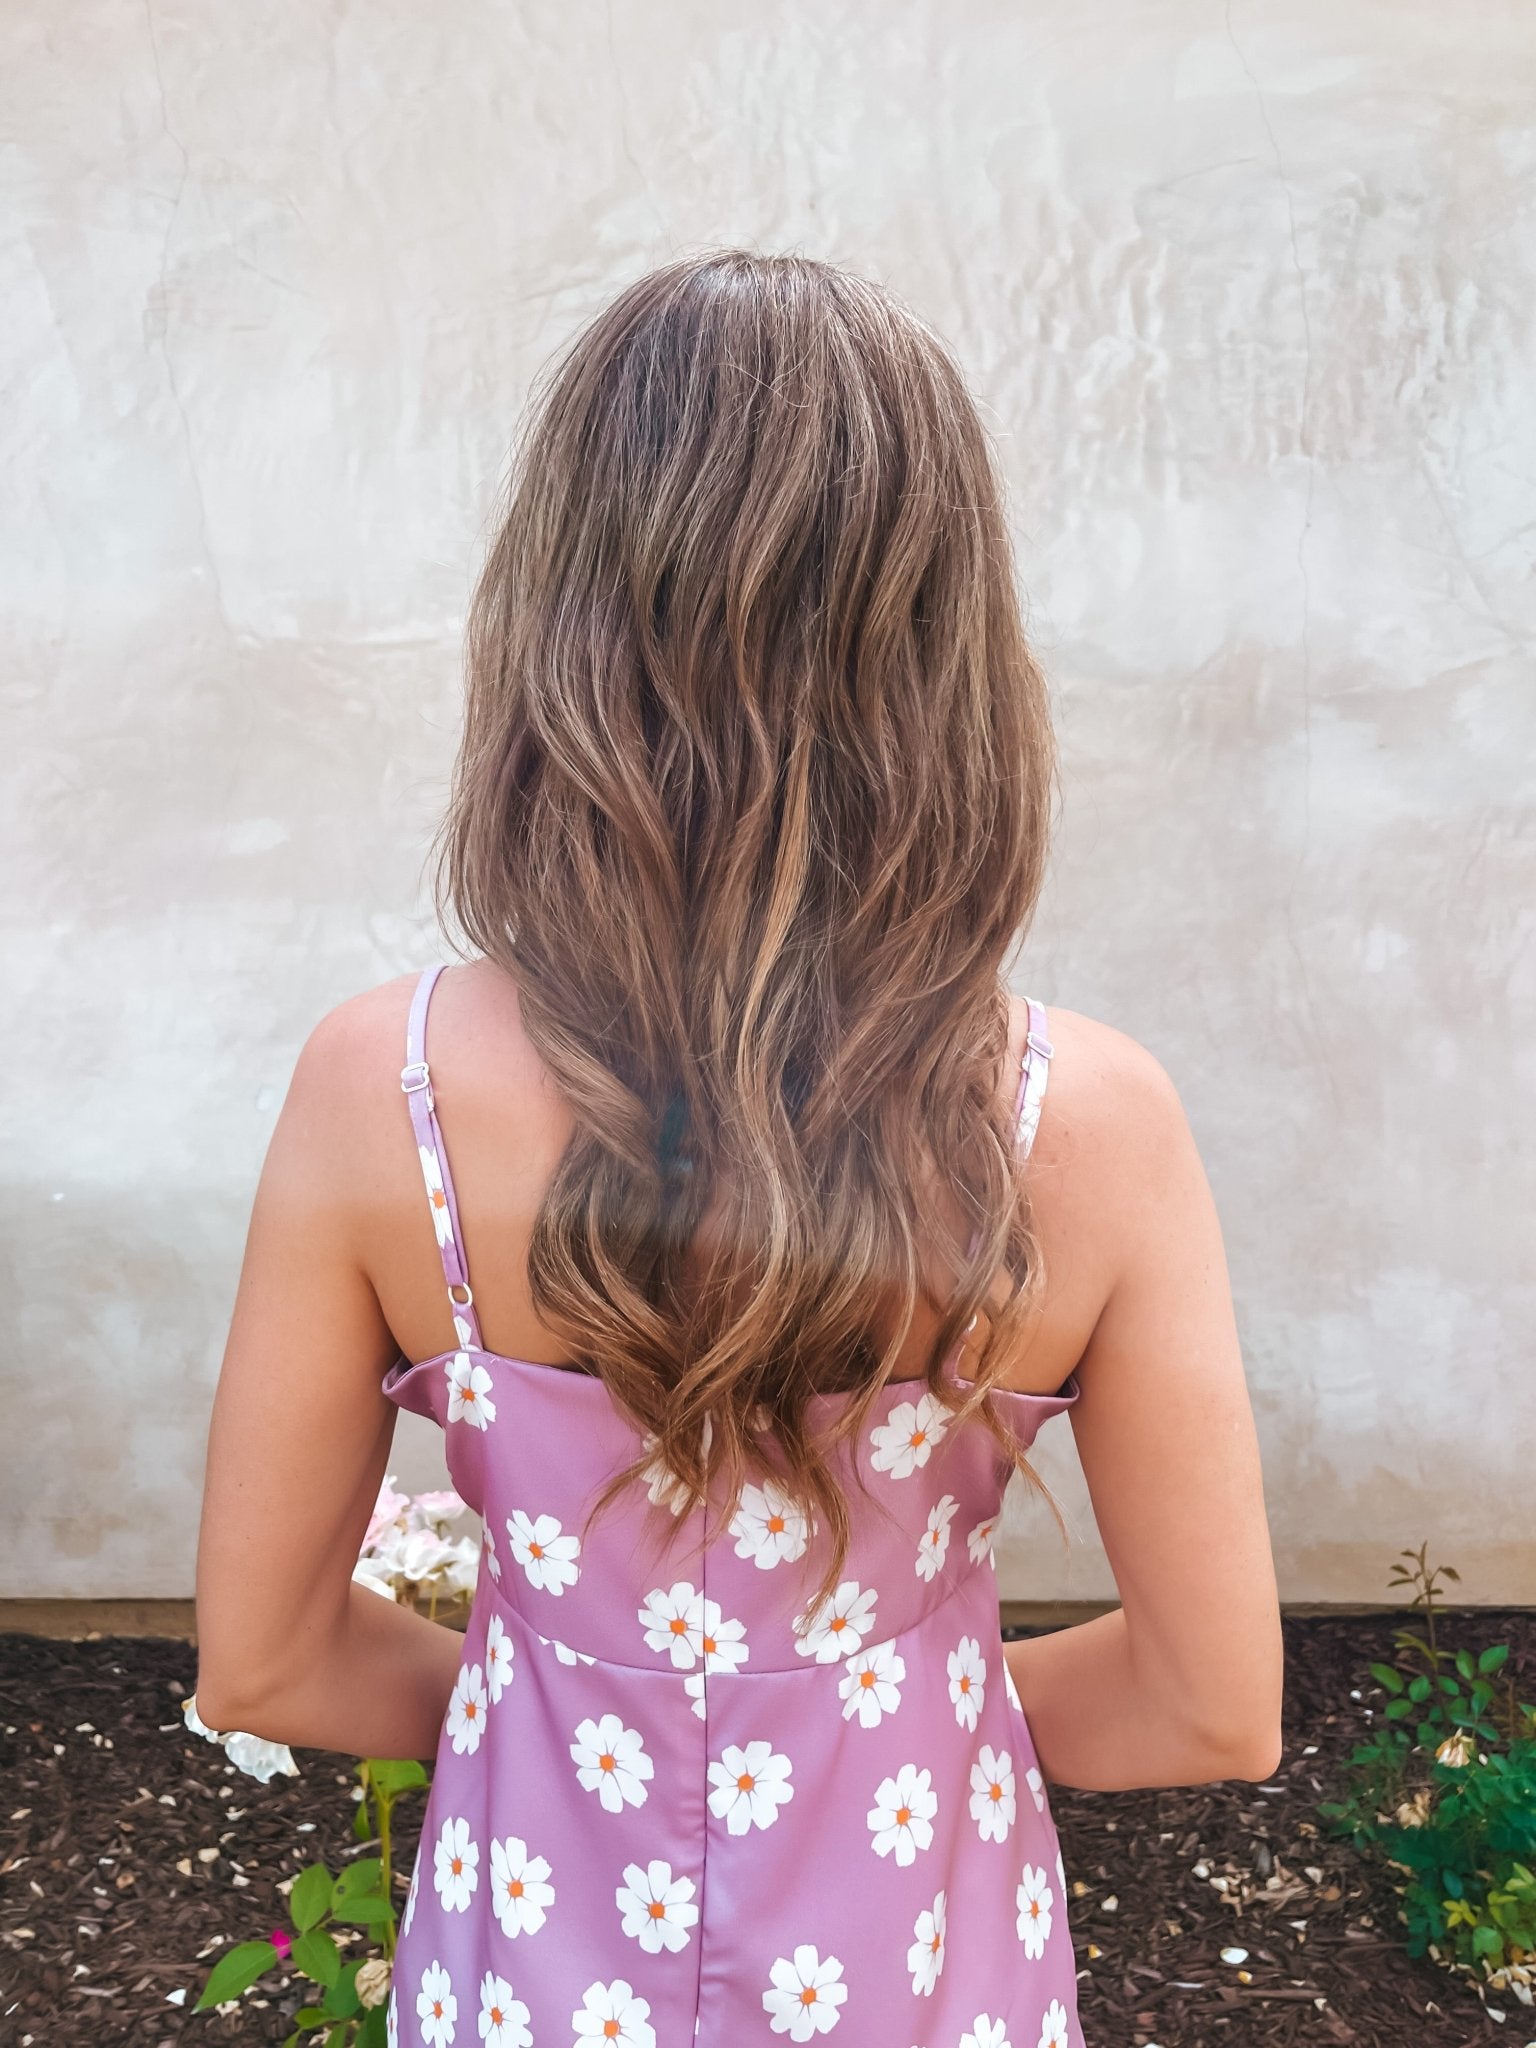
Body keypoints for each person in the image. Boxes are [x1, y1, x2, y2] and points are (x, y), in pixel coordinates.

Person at [192, 249, 1283, 2048]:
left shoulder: (384, 1094)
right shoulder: (1089, 1127)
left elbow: (267, 1661)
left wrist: (577, 1711)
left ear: (555, 634)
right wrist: (883, 1710)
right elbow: (1210, 1707)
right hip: (928, 1989)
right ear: (951, 661)